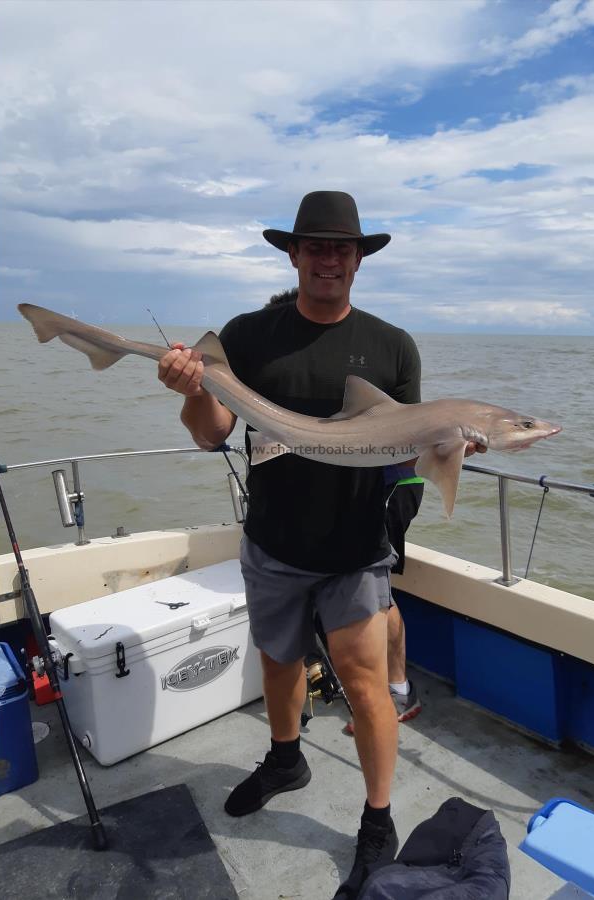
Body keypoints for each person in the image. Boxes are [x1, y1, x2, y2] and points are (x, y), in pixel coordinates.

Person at [157, 191, 484, 899]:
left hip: (355, 544)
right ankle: (284, 760)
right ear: (293, 254)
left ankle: (375, 820)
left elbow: (404, 454)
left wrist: (447, 443)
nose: (329, 258)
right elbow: (213, 433)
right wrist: (189, 388)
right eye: (316, 246)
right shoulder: (245, 335)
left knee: (366, 686)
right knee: (277, 661)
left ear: (359, 259)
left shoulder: (392, 345)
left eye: (342, 247)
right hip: (273, 536)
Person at [265, 285, 424, 729]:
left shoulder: (375, 349)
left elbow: (403, 434)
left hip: (395, 484)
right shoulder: (301, 363)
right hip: (364, 483)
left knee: (380, 596)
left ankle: (398, 691)